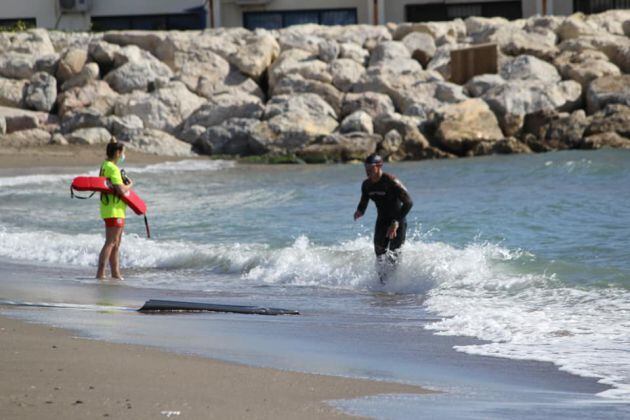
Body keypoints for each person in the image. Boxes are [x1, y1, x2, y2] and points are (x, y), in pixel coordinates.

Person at [354, 153, 413, 282]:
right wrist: (360, 211)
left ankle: (393, 286)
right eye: (366, 167)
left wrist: (396, 222)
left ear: (379, 166)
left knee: (393, 254)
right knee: (379, 254)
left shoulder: (391, 182)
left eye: (370, 167)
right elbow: (364, 200)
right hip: (382, 221)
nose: (367, 170)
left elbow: (409, 203)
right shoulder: (366, 185)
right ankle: (382, 286)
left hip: (397, 221)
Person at [96, 138, 133, 280]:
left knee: (115, 243)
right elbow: (121, 190)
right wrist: (130, 184)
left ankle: (116, 274)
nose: (124, 155)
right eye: (123, 152)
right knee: (111, 242)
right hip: (114, 210)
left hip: (108, 208)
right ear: (118, 153)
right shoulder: (113, 168)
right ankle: (100, 274)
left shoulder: (104, 165)